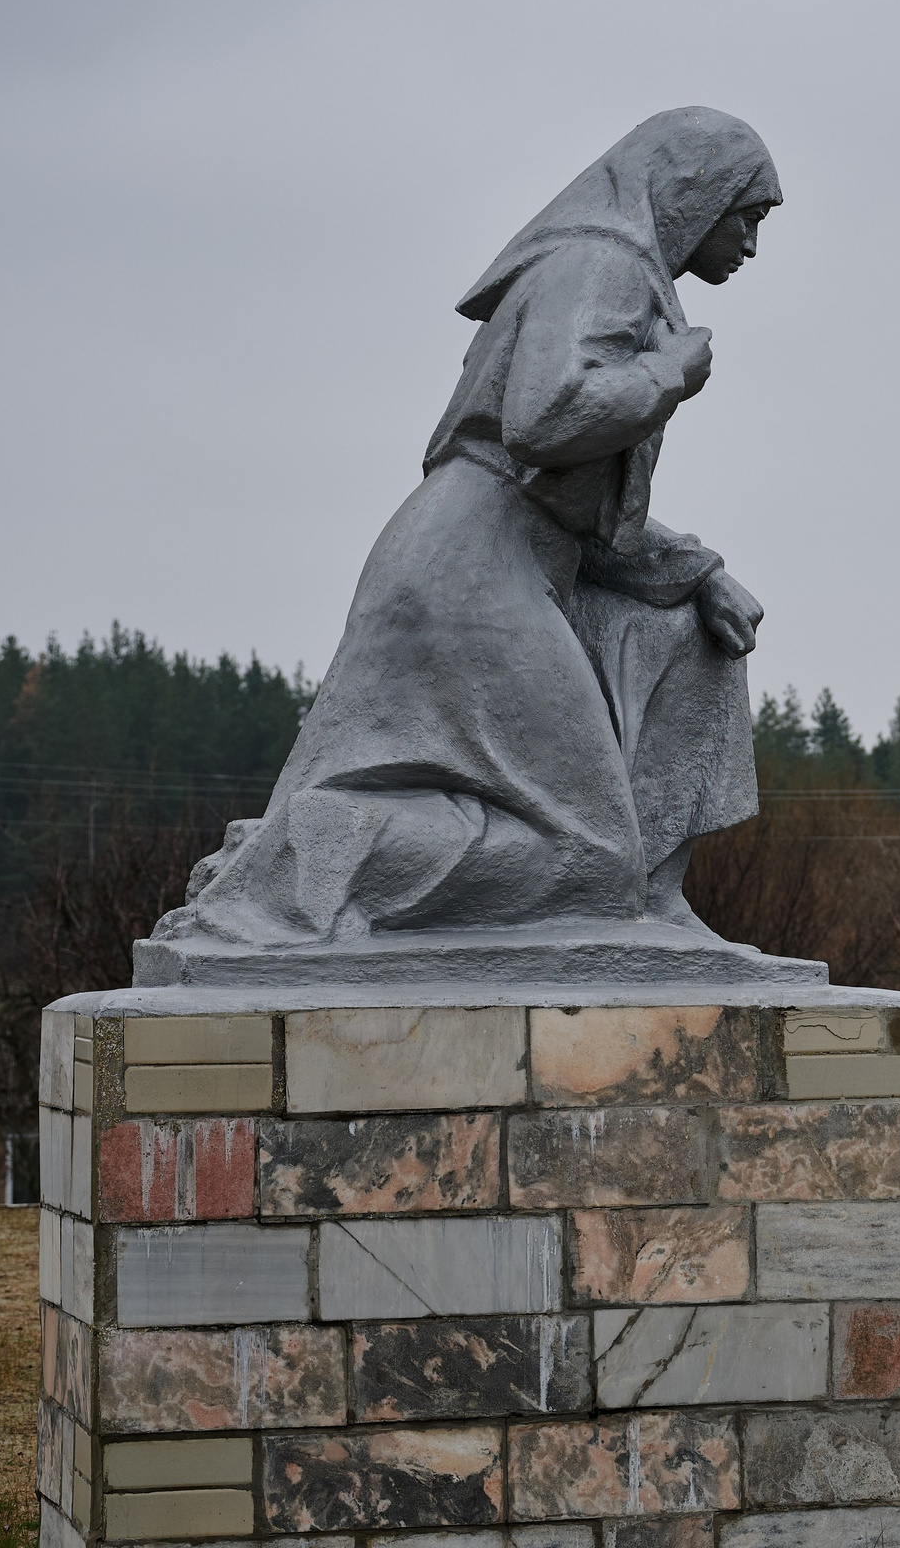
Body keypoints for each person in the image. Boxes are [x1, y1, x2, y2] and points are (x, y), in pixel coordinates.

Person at [151, 107, 779, 950]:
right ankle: (318, 856)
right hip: (474, 573)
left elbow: (568, 498)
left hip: (492, 557)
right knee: (587, 854)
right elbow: (545, 421)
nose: (749, 242)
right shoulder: (605, 264)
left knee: (693, 641)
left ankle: (652, 905)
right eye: (747, 215)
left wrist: (699, 572)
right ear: (696, 196)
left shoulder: (616, 270)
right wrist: (665, 374)